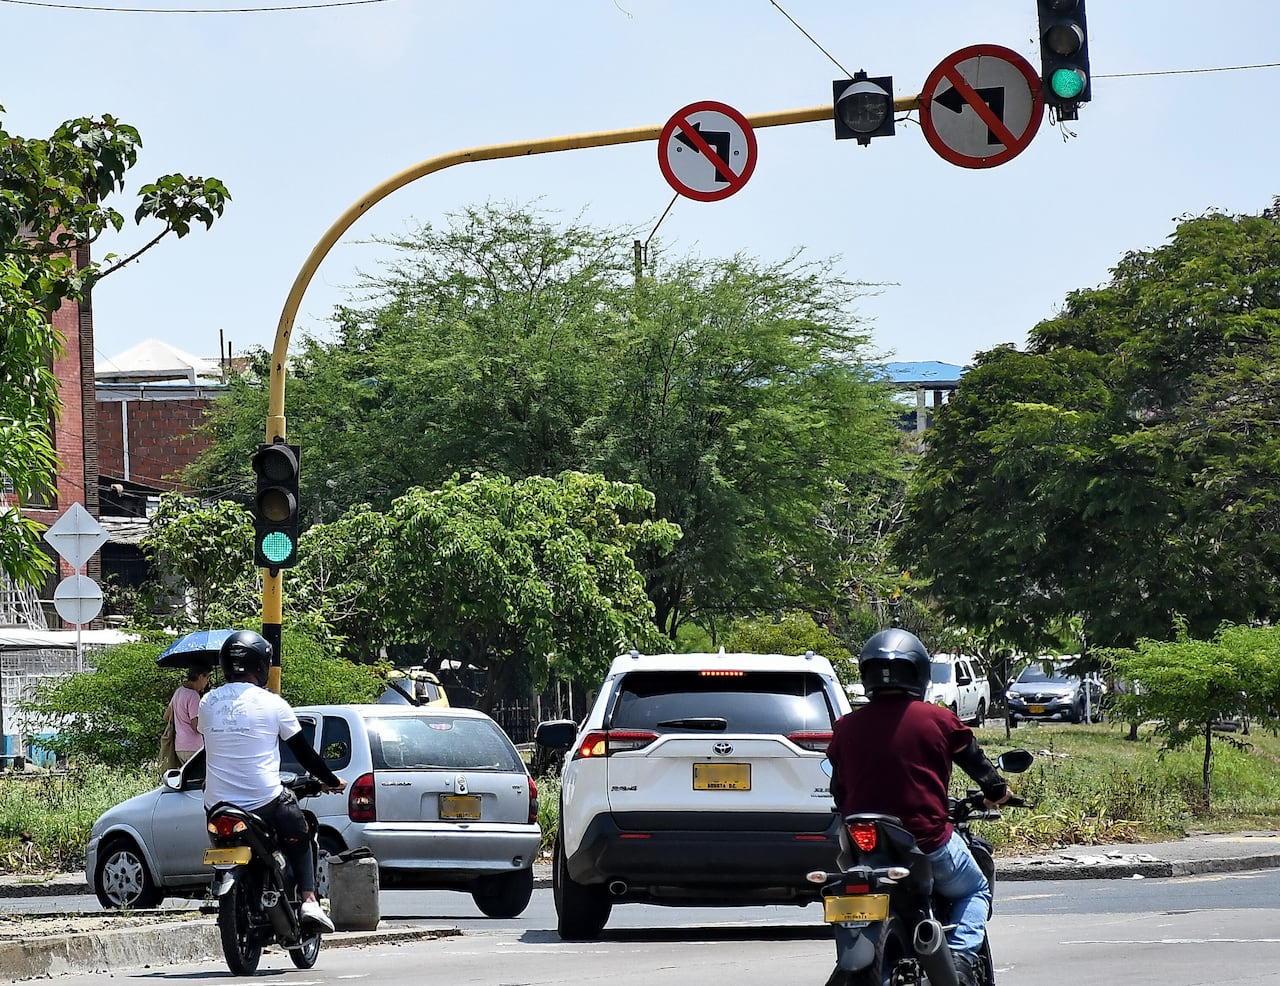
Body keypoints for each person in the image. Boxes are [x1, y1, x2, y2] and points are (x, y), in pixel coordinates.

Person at [826, 628, 1011, 986]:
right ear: (920, 672)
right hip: (926, 841)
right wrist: (998, 791)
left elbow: (839, 791)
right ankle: (958, 956)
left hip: (862, 847)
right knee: (974, 889)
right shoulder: (938, 720)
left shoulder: (846, 727)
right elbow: (981, 769)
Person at [198, 630, 347, 933]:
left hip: (217, 807)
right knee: (300, 825)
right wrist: (331, 780)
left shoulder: (207, 702)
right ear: (261, 666)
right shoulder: (273, 703)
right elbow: (304, 753)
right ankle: (308, 899)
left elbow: (215, 746)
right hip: (264, 803)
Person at [164, 665, 210, 764]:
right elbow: (196, 726)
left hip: (179, 746)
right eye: (207, 678)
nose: (207, 682)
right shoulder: (193, 696)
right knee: (201, 778)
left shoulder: (179, 691)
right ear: (201, 676)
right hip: (194, 747)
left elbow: (167, 716)